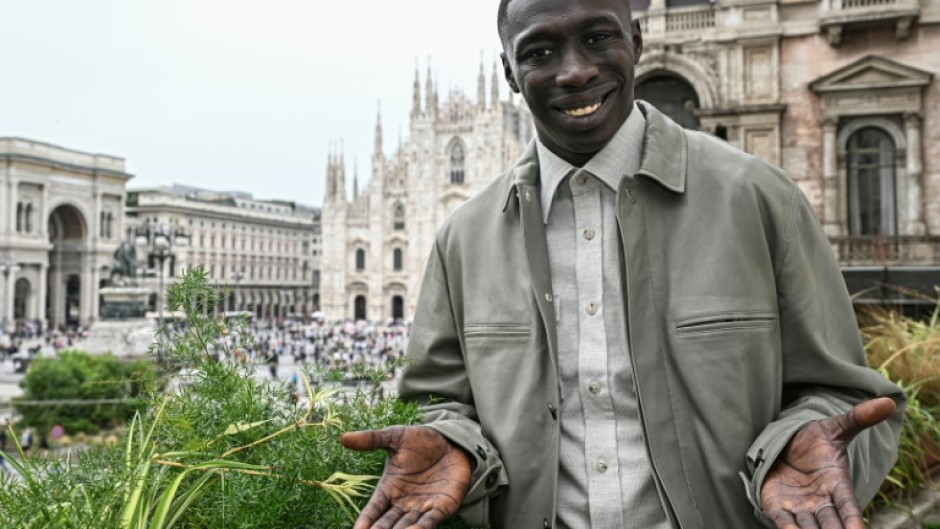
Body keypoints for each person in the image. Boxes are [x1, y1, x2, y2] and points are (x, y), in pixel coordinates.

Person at [341, 0, 904, 527]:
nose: (575, 71)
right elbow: (439, 404)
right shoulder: (463, 237)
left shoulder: (757, 198)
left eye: (598, 38)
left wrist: (803, 448)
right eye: (539, 53)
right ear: (509, 74)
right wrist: (451, 444)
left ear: (636, 41)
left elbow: (848, 399)